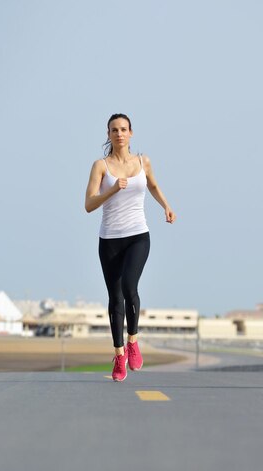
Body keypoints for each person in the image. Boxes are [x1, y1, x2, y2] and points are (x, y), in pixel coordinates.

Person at [85, 113, 176, 381]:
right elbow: (89, 205)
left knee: (129, 288)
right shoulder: (100, 166)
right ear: (108, 134)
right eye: (114, 130)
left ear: (131, 133)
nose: (119, 134)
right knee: (115, 299)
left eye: (124, 129)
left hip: (138, 235)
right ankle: (119, 354)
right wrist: (112, 190)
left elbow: (154, 185)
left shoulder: (142, 161)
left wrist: (167, 206)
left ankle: (133, 341)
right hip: (109, 240)